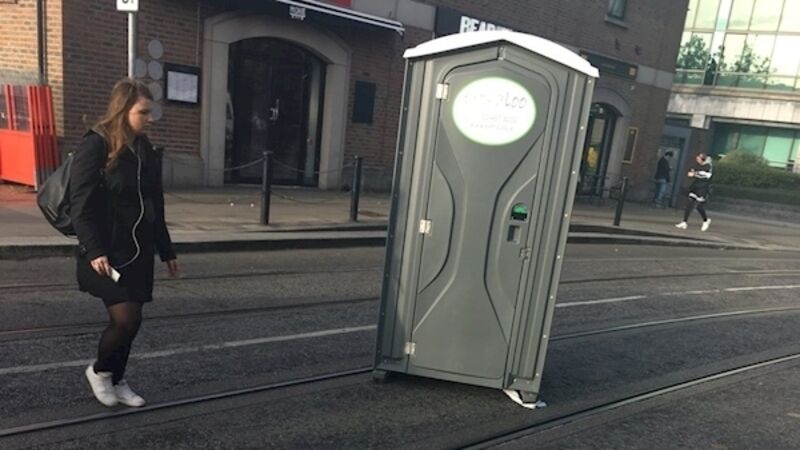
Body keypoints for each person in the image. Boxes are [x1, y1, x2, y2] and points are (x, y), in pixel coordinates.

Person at [70, 78, 179, 407]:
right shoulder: (97, 145)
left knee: (134, 321)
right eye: (143, 112)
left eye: (151, 111)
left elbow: (155, 205)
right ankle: (100, 371)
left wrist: (167, 251)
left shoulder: (146, 150)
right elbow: (81, 203)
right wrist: (95, 249)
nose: (150, 118)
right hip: (107, 250)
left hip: (140, 249)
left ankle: (118, 378)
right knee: (125, 319)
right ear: (123, 110)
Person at [675, 152, 712, 231]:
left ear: (703, 159)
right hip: (695, 187)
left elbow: (706, 175)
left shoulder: (708, 166)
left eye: (699, 158)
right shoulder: (696, 165)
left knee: (699, 207)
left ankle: (705, 220)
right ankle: (684, 222)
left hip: (703, 188)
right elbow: (692, 172)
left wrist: (694, 173)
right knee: (689, 203)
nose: (697, 159)